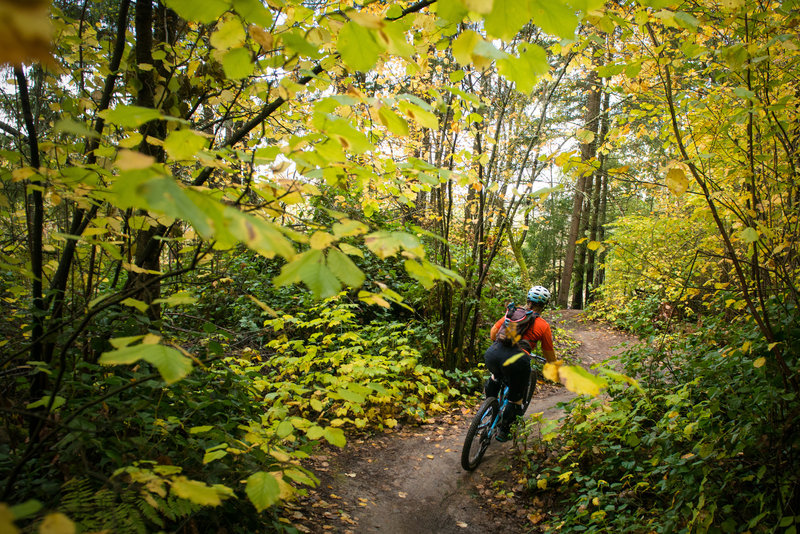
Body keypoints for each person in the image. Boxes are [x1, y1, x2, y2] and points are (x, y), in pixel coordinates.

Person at [483, 285, 556, 441]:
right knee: (516, 398)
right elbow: (549, 355)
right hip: (517, 361)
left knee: (496, 376)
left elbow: (492, 334)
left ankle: (489, 407)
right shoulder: (543, 325)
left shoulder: (512, 314)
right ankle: (503, 432)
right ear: (544, 305)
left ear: (528, 300)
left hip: (493, 354)